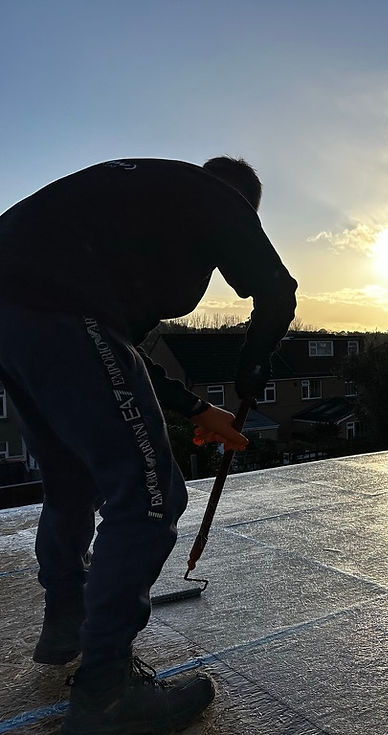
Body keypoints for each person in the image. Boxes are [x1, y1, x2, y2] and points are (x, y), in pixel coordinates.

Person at [0, 157, 297, 734]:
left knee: (70, 479)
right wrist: (252, 366)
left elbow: (116, 356)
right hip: (59, 311)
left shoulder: (136, 209)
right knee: (148, 494)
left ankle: (66, 621)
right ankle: (107, 691)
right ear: (245, 205)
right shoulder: (217, 196)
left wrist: (197, 409)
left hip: (14, 316)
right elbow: (276, 291)